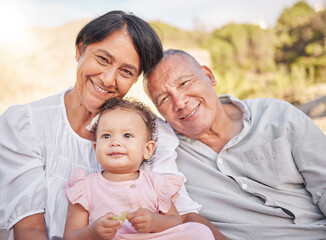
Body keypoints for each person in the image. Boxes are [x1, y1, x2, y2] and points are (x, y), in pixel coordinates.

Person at [0, 11, 212, 240]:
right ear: (80, 49)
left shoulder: (152, 133)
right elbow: (29, 230)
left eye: (126, 71)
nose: (108, 79)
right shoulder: (26, 125)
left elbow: (181, 216)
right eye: (103, 59)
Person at [144, 49, 326, 240]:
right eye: (163, 99)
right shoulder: (164, 158)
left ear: (208, 75)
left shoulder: (277, 115)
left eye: (184, 83)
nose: (179, 102)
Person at [63, 98, 215, 240]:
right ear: (95, 148)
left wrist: (155, 222)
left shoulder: (156, 183)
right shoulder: (85, 187)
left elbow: (175, 221)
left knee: (200, 231)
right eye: (106, 136)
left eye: (127, 135)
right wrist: (93, 232)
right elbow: (70, 236)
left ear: (147, 149)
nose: (115, 142)